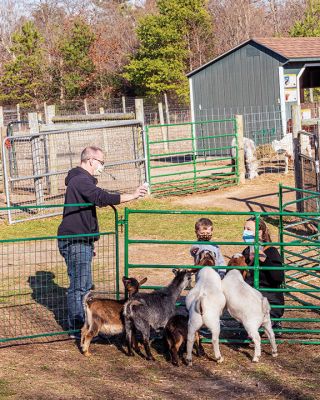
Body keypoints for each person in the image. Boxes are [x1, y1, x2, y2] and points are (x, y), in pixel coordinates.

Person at [57, 146, 147, 338]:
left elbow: (85, 213)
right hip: (75, 241)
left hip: (81, 240)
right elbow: (100, 197)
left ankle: (86, 323)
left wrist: (90, 241)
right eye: (101, 162)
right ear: (90, 160)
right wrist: (131, 195)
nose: (102, 166)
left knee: (86, 284)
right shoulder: (80, 180)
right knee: (80, 286)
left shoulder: (80, 180)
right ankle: (76, 326)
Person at [242, 217, 284, 335]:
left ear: (260, 232)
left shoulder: (271, 252)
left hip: (269, 301)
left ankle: (273, 322)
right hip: (250, 302)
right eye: (244, 229)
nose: (245, 232)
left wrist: (264, 259)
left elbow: (278, 278)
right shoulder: (245, 252)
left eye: (249, 229)